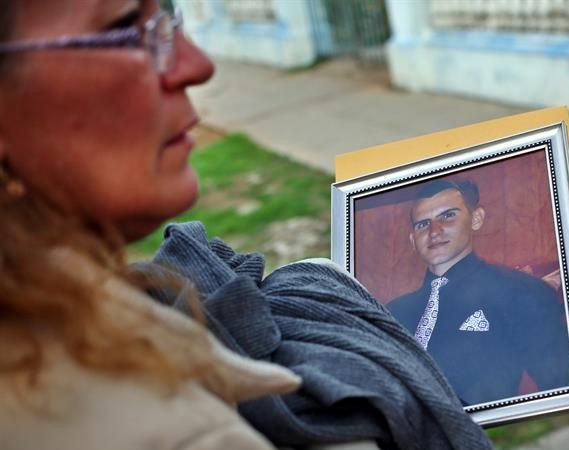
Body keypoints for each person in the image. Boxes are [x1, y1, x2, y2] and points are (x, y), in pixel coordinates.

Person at [0, 1, 492, 449]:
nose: (196, 64)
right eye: (126, 25)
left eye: (166, 19)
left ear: (479, 219)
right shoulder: (178, 433)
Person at [387, 179, 569, 406]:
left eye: (448, 216)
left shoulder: (521, 291)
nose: (434, 231)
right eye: (423, 224)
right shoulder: (392, 315)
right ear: (412, 240)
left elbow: (566, 390)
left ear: (476, 219)